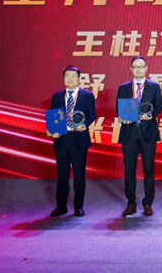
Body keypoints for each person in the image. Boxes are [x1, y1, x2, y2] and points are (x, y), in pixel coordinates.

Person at [116, 56, 162, 217]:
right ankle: (131, 203)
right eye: (135, 66)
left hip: (147, 131)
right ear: (131, 68)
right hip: (129, 132)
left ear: (146, 68)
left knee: (149, 169)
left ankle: (148, 203)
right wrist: (122, 116)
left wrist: (150, 114)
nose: (138, 69)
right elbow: (119, 107)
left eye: (141, 66)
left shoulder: (154, 86)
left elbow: (159, 105)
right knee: (129, 170)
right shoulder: (123, 87)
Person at [49, 65, 96, 217]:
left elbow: (92, 114)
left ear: (79, 78)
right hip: (62, 140)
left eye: (73, 76)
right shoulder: (57, 96)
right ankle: (61, 207)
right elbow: (53, 116)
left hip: (79, 139)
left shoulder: (87, 95)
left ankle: (78, 207)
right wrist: (54, 130)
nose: (70, 79)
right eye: (67, 76)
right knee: (62, 176)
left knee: (79, 175)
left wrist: (85, 125)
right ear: (63, 78)